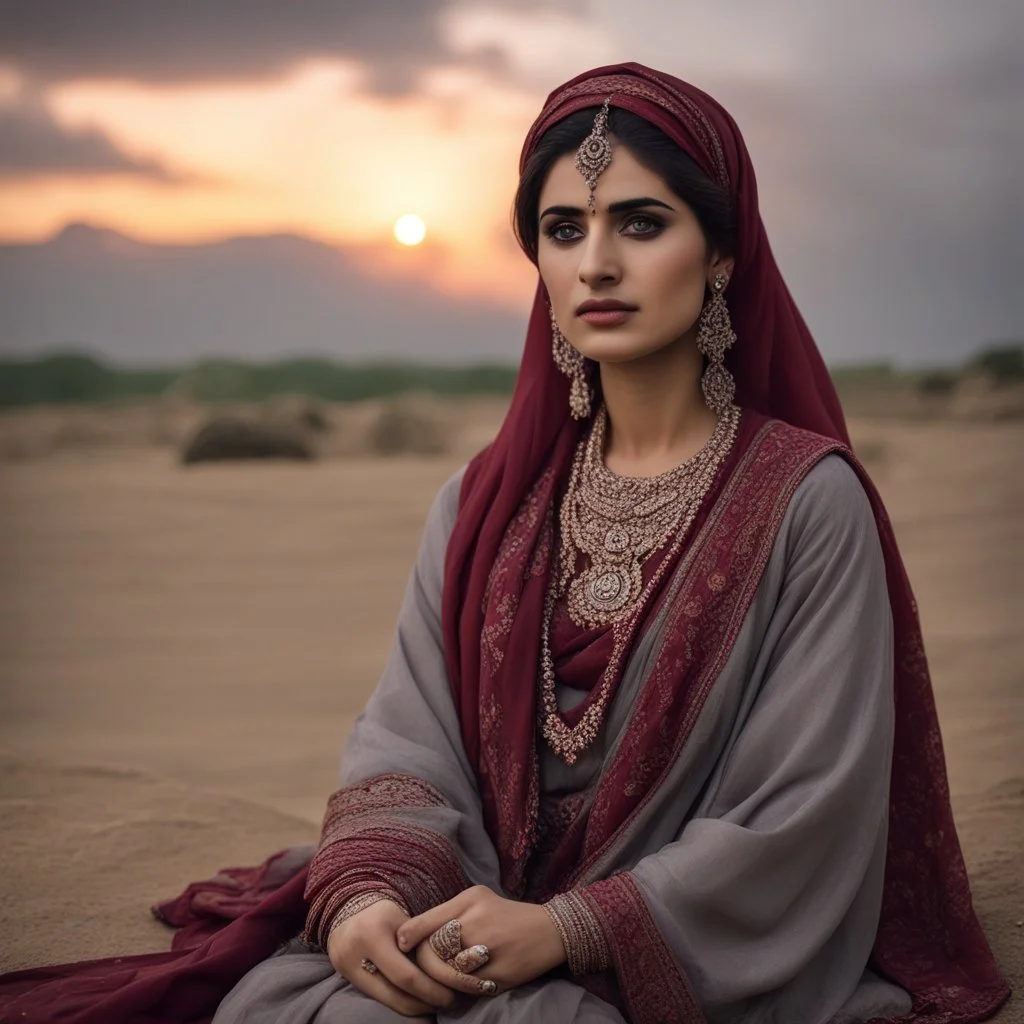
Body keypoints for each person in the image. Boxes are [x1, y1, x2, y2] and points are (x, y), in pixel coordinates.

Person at [0, 62, 1009, 1024]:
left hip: (677, 954)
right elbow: (409, 740)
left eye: (641, 223)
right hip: (464, 922)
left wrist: (569, 927)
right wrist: (367, 905)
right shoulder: (487, 503)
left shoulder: (806, 501)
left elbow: (804, 810)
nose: (596, 263)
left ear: (721, 254)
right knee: (297, 1001)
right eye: (563, 228)